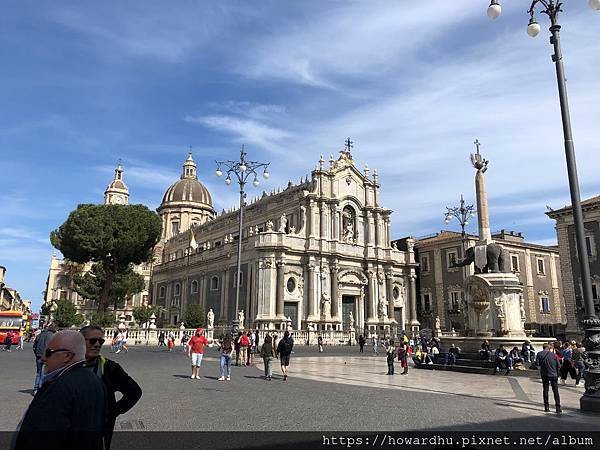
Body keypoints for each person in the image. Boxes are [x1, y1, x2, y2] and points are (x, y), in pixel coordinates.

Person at [14, 330, 105, 450]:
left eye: (48, 352)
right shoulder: (95, 380)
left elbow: (41, 437)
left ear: (67, 356)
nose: (43, 358)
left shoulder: (60, 386)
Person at [80, 326, 142, 449]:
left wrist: (113, 411)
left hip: (99, 431)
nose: (97, 344)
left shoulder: (110, 368)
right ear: (80, 341)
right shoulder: (65, 365)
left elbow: (134, 391)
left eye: (101, 341)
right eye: (92, 341)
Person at [536, 343, 562, 414]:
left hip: (544, 374)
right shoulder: (554, 355)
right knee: (555, 391)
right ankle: (558, 408)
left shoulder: (539, 354)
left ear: (543, 347)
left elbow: (537, 364)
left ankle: (546, 407)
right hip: (553, 374)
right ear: (549, 348)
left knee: (545, 390)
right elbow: (559, 366)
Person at [32, 325, 55, 394]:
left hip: (39, 356)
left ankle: (36, 388)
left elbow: (34, 346)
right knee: (46, 372)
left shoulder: (39, 335)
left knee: (38, 372)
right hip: (48, 356)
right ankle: (42, 387)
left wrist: (36, 353)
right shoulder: (52, 336)